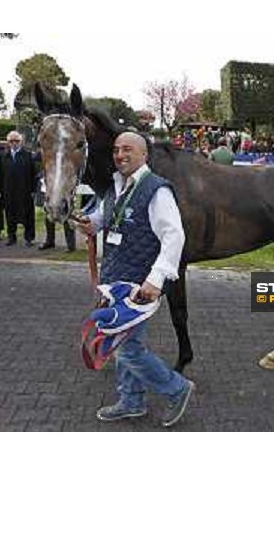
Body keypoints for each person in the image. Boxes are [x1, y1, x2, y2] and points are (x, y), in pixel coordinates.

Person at [77, 131, 194, 427]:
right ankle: (131, 400)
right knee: (118, 340)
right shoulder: (114, 187)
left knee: (128, 349)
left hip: (139, 285)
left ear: (144, 155)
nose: (119, 154)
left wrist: (156, 280)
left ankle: (177, 388)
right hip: (115, 279)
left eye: (127, 149)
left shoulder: (156, 190)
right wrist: (89, 224)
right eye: (116, 149)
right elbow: (104, 220)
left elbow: (174, 236)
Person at [0, 131, 36, 247]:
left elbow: (34, 174)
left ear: (21, 142)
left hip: (25, 191)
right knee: (9, 215)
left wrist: (34, 190)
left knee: (28, 215)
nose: (14, 143)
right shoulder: (3, 156)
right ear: (8, 142)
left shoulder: (28, 155)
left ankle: (29, 238)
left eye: (17, 141)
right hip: (8, 191)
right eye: (11, 141)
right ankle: (11, 237)